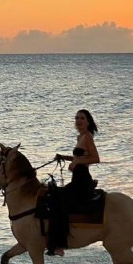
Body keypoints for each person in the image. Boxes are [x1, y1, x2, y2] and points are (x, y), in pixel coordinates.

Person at [47, 109, 100, 256]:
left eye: (82, 118)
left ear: (88, 122)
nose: (79, 121)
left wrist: (77, 161)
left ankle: (60, 244)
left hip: (82, 180)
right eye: (77, 118)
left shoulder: (88, 137)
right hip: (77, 178)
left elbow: (96, 158)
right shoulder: (80, 137)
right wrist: (65, 157)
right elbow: (82, 156)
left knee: (60, 201)